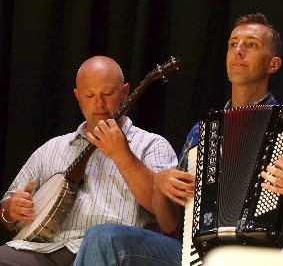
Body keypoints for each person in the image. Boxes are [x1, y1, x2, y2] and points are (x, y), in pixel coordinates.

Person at [72, 13, 283, 266]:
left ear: (273, 64)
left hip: (265, 257)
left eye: (251, 45)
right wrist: (159, 186)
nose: (238, 51)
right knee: (103, 237)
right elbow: (170, 224)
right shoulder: (202, 131)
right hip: (198, 256)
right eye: (232, 44)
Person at [0, 56, 178, 265]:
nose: (99, 103)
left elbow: (167, 218)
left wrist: (123, 155)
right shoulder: (52, 148)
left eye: (108, 94)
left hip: (112, 250)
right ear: (77, 96)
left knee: (99, 239)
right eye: (89, 95)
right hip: (46, 248)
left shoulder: (152, 145)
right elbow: (6, 212)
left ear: (126, 92)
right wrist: (10, 211)